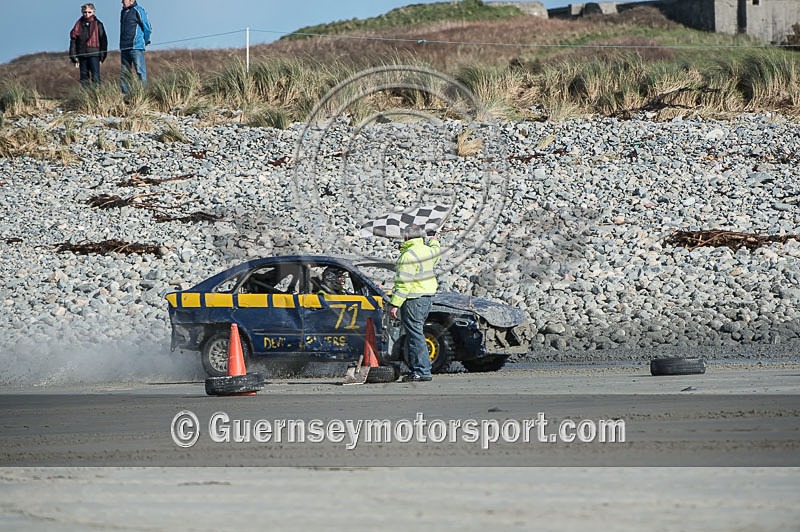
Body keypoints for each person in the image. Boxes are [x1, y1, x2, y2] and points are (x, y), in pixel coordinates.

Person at [388, 225, 440, 382]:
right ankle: (420, 369)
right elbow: (436, 251)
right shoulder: (427, 251)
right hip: (426, 298)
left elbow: (403, 284)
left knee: (415, 335)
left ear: (406, 237)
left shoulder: (408, 256)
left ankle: (421, 371)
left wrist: (395, 304)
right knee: (417, 333)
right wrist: (433, 239)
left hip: (413, 299)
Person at [69, 4, 108, 86]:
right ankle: (86, 93)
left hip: (94, 54)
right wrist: (73, 56)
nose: (87, 14)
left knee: (95, 77)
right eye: (85, 12)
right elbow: (73, 41)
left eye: (89, 12)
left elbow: (103, 41)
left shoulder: (98, 24)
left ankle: (96, 93)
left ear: (93, 12)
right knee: (84, 78)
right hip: (82, 54)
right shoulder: (78, 25)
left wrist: (102, 56)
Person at [119, 0, 151, 94]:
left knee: (140, 72)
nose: (122, 2)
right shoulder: (123, 12)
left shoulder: (139, 10)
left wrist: (145, 41)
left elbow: (147, 27)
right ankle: (125, 94)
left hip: (136, 46)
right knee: (125, 73)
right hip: (124, 47)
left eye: (124, 0)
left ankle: (142, 94)